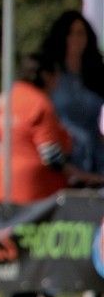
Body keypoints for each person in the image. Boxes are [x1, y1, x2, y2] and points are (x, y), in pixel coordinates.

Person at [0, 53, 104, 297]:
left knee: (15, 251)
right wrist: (82, 176)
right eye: (55, 77)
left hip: (2, 182)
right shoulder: (39, 102)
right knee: (37, 252)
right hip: (34, 187)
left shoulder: (9, 97)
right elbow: (51, 155)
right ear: (45, 75)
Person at [40, 9, 104, 175]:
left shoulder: (95, 73)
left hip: (94, 155)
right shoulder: (51, 73)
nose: (76, 39)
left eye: (80, 33)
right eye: (70, 33)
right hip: (62, 155)